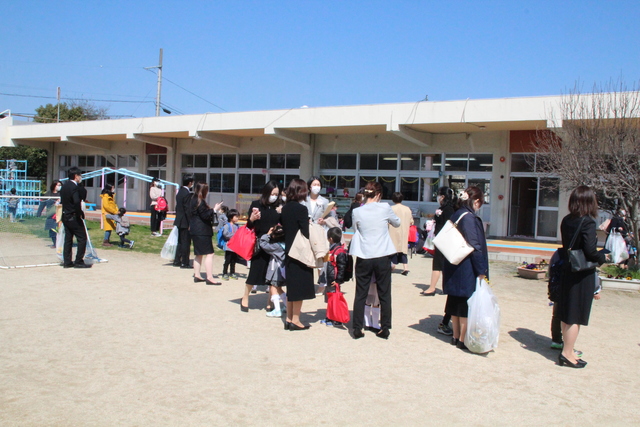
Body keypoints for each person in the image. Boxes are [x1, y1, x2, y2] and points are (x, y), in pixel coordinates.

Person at [556, 186, 608, 368]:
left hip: (568, 270)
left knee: (566, 312)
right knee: (575, 315)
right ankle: (567, 353)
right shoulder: (588, 222)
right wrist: (603, 257)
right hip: (581, 274)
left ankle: (567, 349)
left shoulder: (567, 220)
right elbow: (590, 251)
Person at [350, 181, 401, 339]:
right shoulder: (385, 207)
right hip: (382, 254)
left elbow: (355, 229)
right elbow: (397, 223)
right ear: (378, 194)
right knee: (384, 293)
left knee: (361, 293)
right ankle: (384, 328)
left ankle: (358, 328)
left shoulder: (358, 211)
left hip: (364, 254)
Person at [442, 186, 488, 351]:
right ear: (476, 201)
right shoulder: (469, 218)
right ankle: (462, 338)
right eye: (480, 203)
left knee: (454, 303)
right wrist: (481, 270)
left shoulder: (456, 214)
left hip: (453, 262)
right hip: (466, 266)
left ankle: (455, 336)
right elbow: (475, 245)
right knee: (465, 305)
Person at [241, 181, 282, 312]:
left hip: (273, 244)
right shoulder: (256, 205)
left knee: (272, 275)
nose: (274, 196)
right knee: (254, 272)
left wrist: (281, 214)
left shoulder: (279, 207)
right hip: (259, 244)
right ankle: (245, 297)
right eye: (272, 193)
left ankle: (269, 301)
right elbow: (249, 226)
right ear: (266, 192)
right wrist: (252, 218)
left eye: (277, 194)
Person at [282, 178, 315, 330]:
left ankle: (289, 318)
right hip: (300, 252)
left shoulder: (286, 207)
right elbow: (305, 232)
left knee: (291, 287)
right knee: (300, 288)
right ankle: (296, 319)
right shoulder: (302, 209)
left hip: (289, 250)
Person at [189, 183, 223, 285]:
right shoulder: (200, 201)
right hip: (202, 231)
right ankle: (209, 277)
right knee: (210, 253)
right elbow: (204, 216)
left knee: (199, 253)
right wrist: (214, 210)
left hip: (195, 230)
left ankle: (197, 275)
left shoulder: (193, 199)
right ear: (204, 191)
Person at [59, 167, 91, 268]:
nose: (80, 177)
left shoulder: (64, 186)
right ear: (76, 176)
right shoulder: (74, 187)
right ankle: (78, 261)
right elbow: (77, 201)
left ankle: (67, 261)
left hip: (65, 215)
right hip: (73, 216)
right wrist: (79, 212)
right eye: (79, 175)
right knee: (82, 238)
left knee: (68, 239)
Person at [321, 227, 348, 327]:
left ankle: (336, 319)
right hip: (330, 278)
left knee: (334, 300)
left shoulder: (338, 251)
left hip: (334, 279)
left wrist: (338, 280)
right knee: (329, 299)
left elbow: (342, 267)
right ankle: (329, 316)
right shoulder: (332, 249)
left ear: (330, 238)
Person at [259, 224, 288, 318]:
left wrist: (267, 234)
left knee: (273, 287)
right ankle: (287, 306)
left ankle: (277, 310)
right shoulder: (286, 245)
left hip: (275, 269)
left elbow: (263, 244)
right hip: (283, 269)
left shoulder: (275, 246)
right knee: (279, 288)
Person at [389, 192, 414, 275]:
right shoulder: (407, 209)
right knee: (403, 250)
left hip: (393, 231)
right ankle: (405, 267)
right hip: (404, 231)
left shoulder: (391, 208)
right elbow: (411, 221)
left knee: (393, 249)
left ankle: (392, 265)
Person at [173, 175, 194, 268]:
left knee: (180, 241)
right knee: (186, 242)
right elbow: (187, 209)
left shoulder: (180, 192)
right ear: (190, 183)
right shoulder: (186, 193)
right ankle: (184, 262)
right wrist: (190, 222)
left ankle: (177, 260)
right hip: (185, 221)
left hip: (179, 220)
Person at [40, 180, 62, 246]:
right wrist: (39, 212)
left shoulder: (62, 193)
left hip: (60, 214)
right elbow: (43, 203)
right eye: (58, 185)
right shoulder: (48, 194)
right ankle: (54, 243)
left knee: (60, 229)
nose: (59, 187)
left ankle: (60, 243)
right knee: (52, 229)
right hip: (51, 214)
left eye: (60, 185)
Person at [221, 209, 240, 280]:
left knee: (234, 260)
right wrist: (235, 235)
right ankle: (224, 273)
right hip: (228, 246)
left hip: (235, 247)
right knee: (227, 260)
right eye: (236, 217)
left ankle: (232, 272)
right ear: (231, 217)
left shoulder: (237, 226)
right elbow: (225, 234)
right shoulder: (227, 225)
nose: (237, 218)